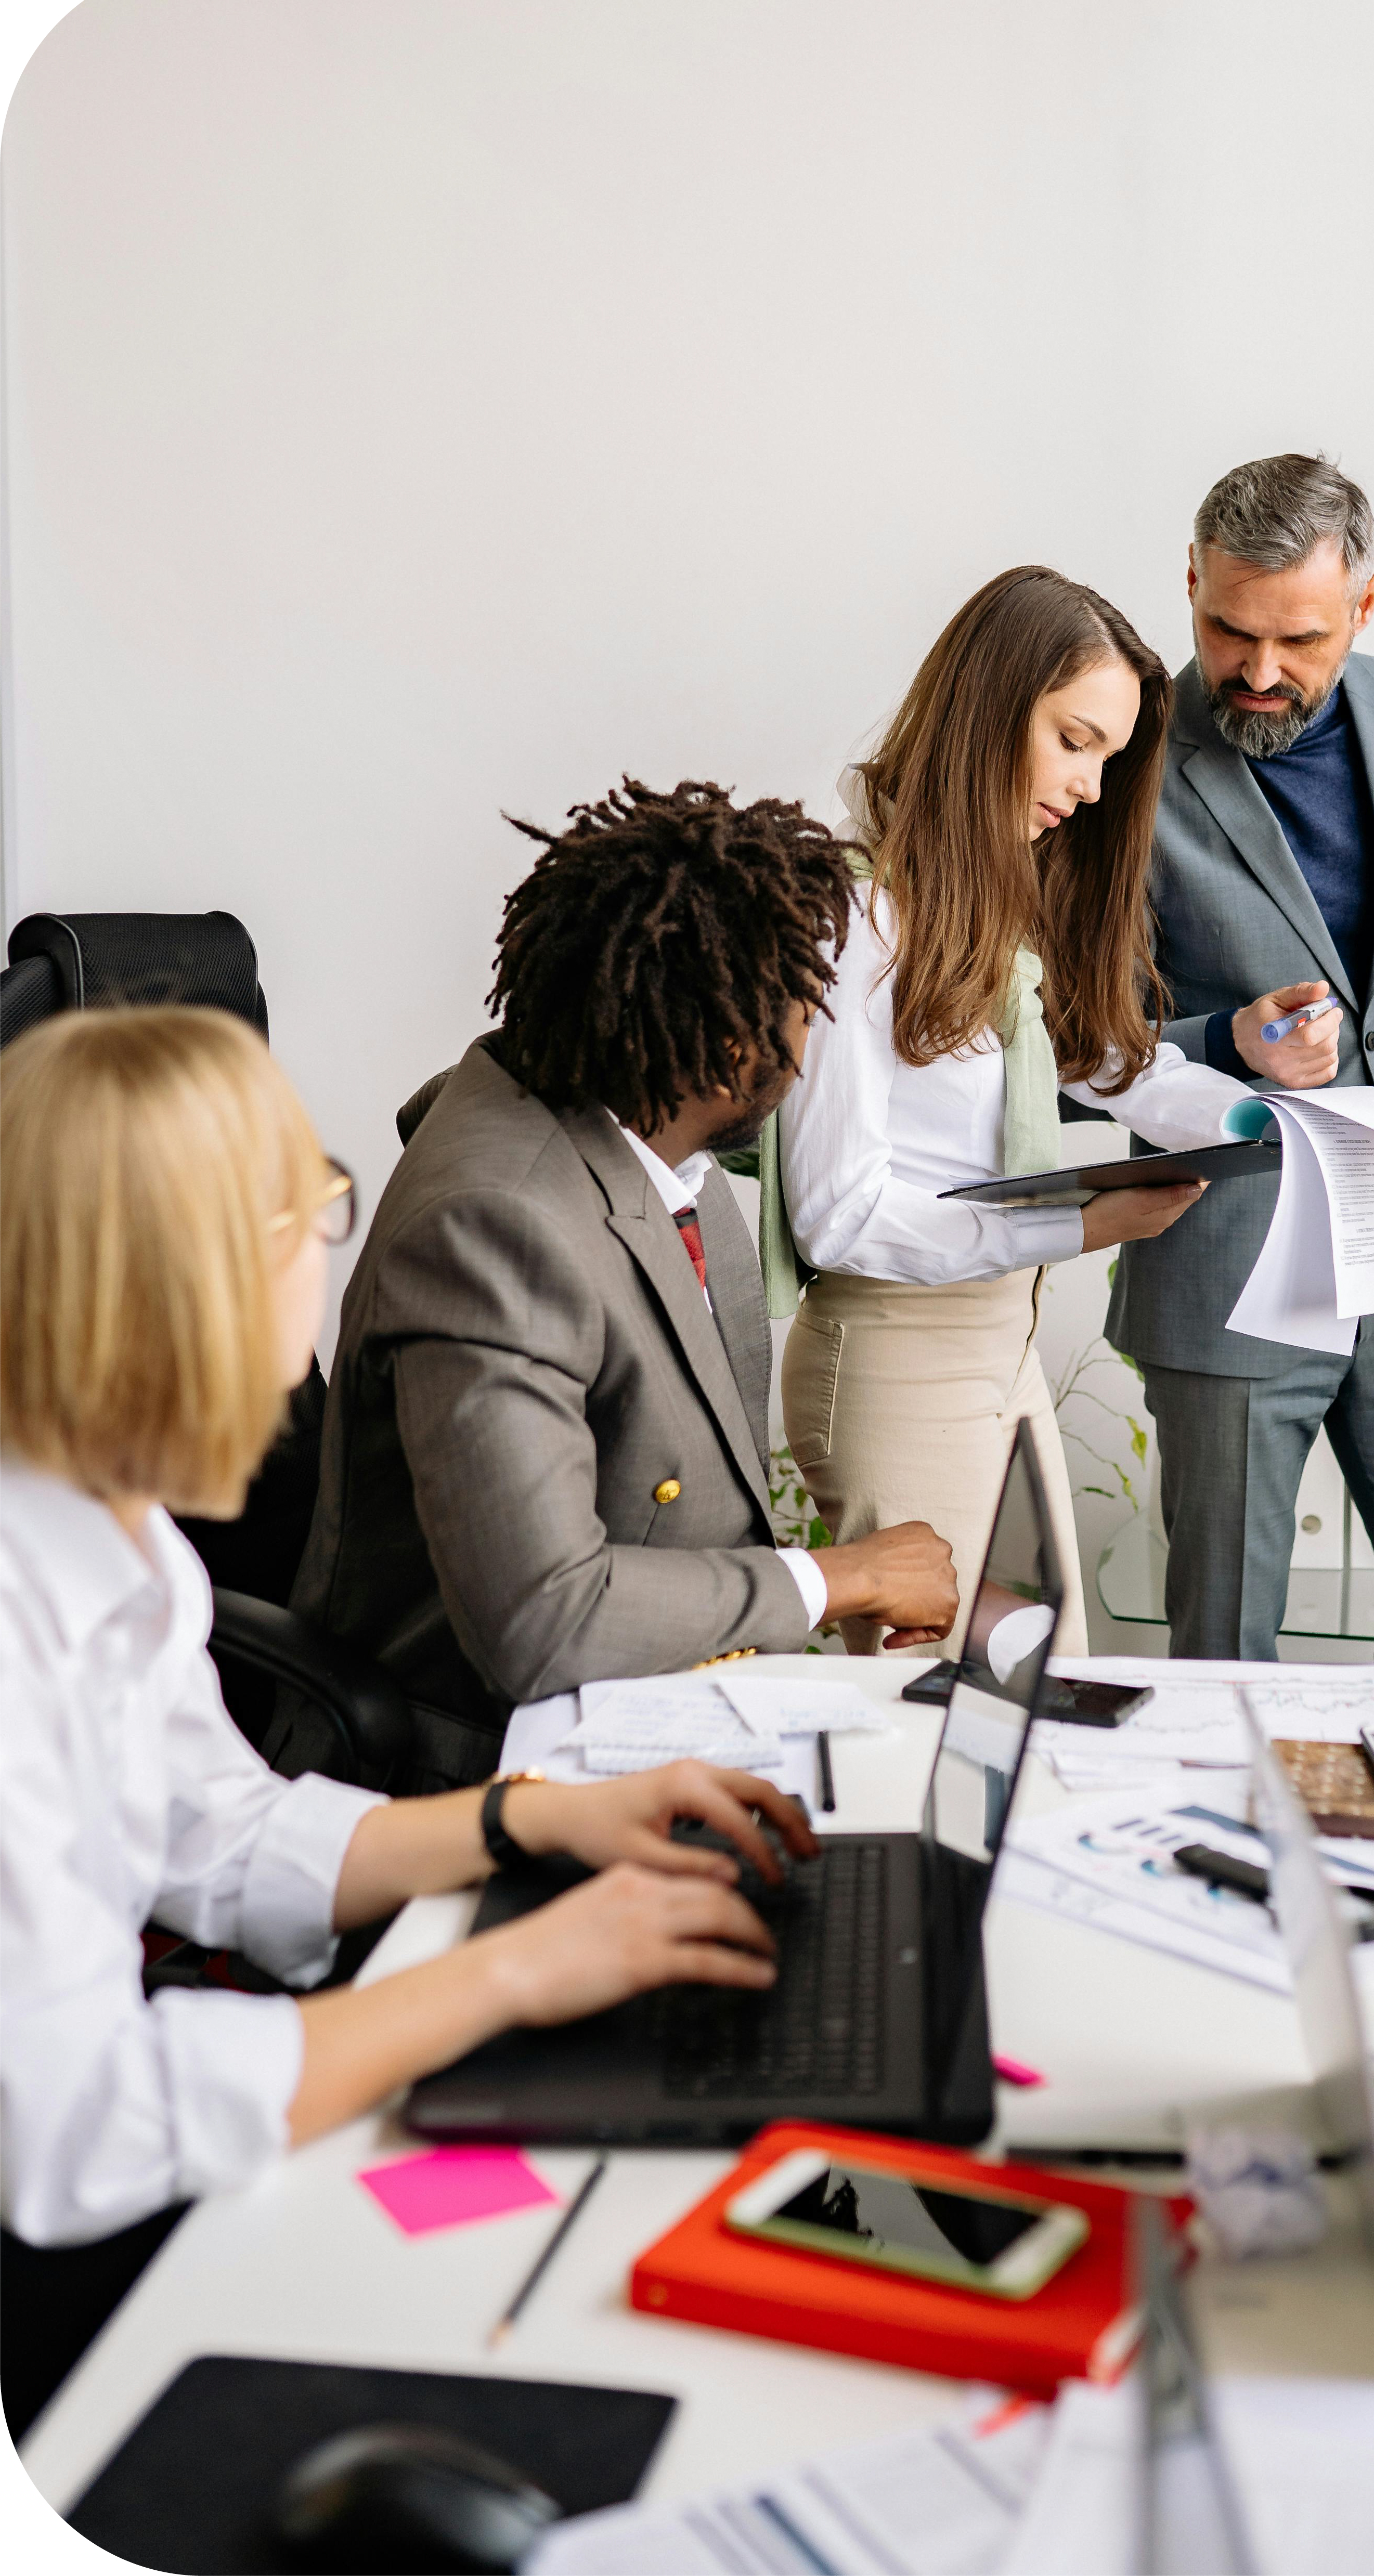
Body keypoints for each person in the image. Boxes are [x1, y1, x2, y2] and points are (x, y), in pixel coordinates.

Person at [0, 1005, 815, 2430]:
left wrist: (528, 1817)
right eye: (311, 1205)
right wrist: (504, 1975)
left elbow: (215, 1825)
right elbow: (73, 2125)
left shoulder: (115, 1535)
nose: (328, 1246)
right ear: (193, 1278)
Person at [293, 782, 957, 1791]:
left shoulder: (653, 1150)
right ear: (735, 1046)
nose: (818, 1043)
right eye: (807, 1008)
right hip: (480, 1774)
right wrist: (841, 1578)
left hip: (664, 1714)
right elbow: (542, 1623)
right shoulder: (496, 1227)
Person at [1108, 454, 1374, 1670]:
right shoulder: (1118, 751)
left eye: (1297, 639)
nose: (1257, 672)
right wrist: (1224, 1044)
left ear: (1365, 603)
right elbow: (1068, 1043)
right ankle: (1222, 1865)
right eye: (1225, 630)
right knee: (1223, 1650)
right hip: (1232, 1259)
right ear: (1190, 581)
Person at [769, 566, 1242, 1655]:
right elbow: (837, 1217)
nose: (1088, 787)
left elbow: (1110, 1063)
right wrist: (1076, 1224)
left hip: (998, 1348)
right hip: (898, 1365)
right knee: (950, 1732)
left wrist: (1292, 1132)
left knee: (1038, 1705)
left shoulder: (995, 898)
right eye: (1075, 740)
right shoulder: (854, 912)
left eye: (1109, 760)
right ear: (990, 708)